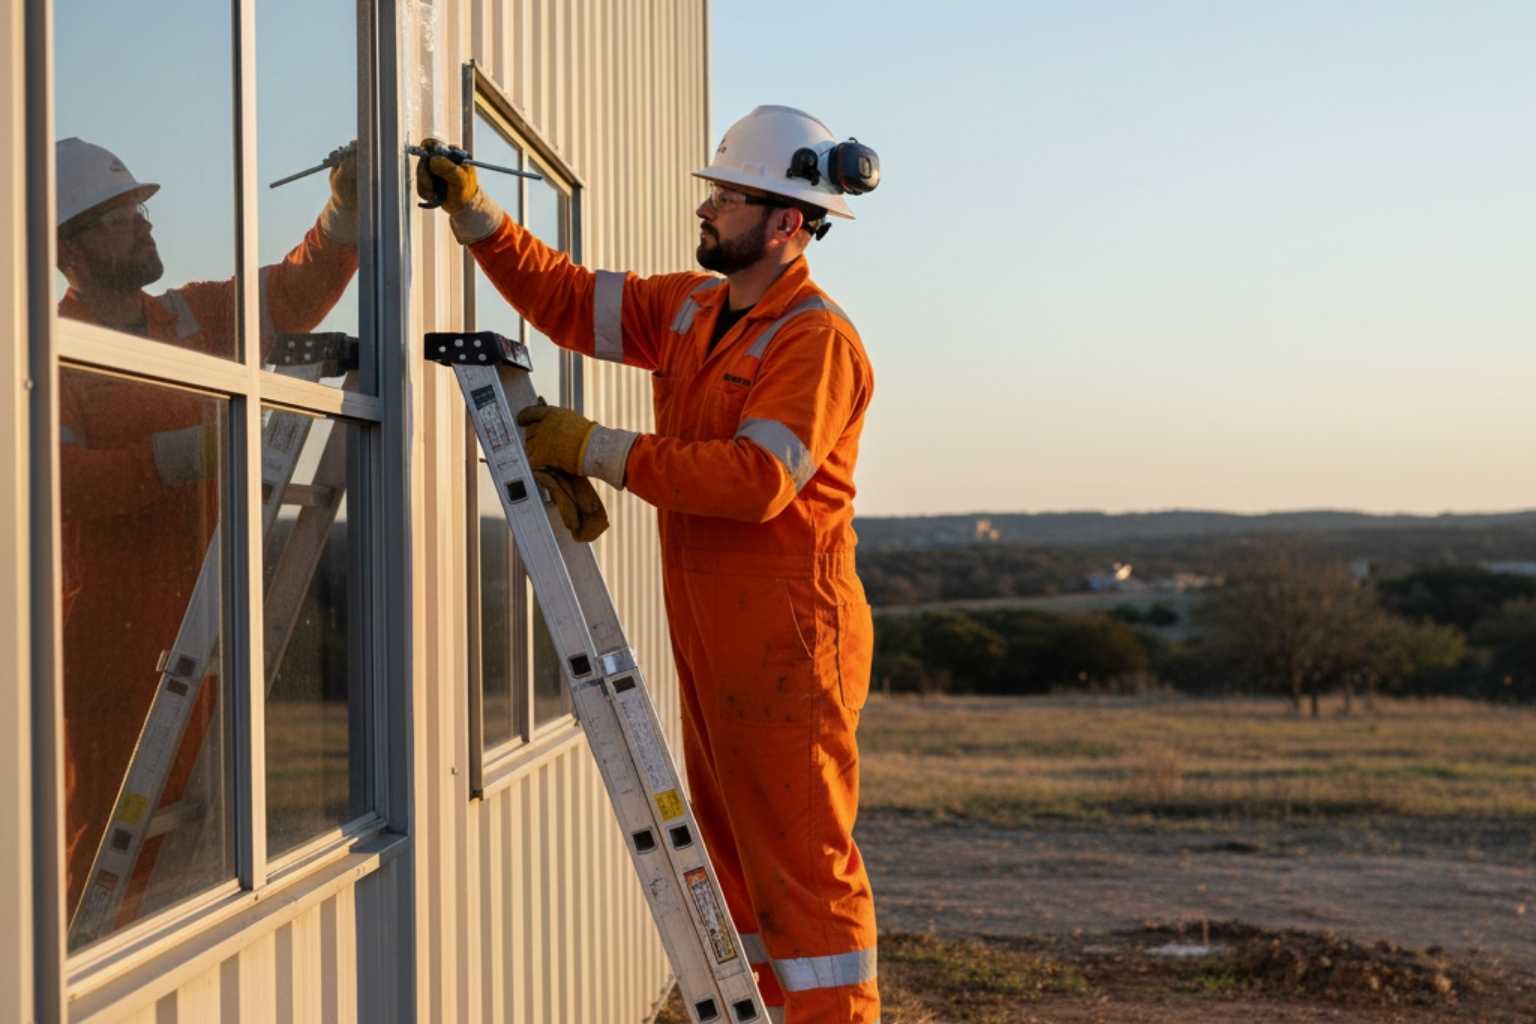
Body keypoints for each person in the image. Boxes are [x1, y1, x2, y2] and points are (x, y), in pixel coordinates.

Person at [418, 105, 882, 1023]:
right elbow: (567, 299)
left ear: (785, 222)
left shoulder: (815, 339)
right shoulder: (692, 306)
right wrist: (475, 212)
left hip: (792, 643)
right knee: (737, 861)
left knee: (802, 864)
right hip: (717, 634)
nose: (705, 209)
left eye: (725, 197)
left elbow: (757, 481)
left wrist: (592, 447)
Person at [57, 136, 360, 931]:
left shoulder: (190, 315)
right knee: (98, 850)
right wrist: (182, 456)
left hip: (203, 632)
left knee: (198, 858)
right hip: (105, 648)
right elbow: (54, 484)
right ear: (69, 248)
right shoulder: (46, 354)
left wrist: (346, 206)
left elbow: (289, 295)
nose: (144, 227)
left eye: (140, 211)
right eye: (121, 218)